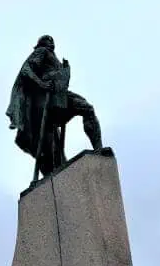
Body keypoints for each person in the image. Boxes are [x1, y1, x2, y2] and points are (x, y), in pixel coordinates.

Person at [6, 35, 102, 178]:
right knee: (51, 147)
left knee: (87, 109)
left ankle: (99, 150)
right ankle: (54, 170)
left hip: (60, 96)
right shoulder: (42, 52)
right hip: (47, 100)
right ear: (41, 44)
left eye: (52, 41)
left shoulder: (52, 56)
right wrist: (41, 83)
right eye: (47, 40)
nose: (51, 42)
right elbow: (26, 70)